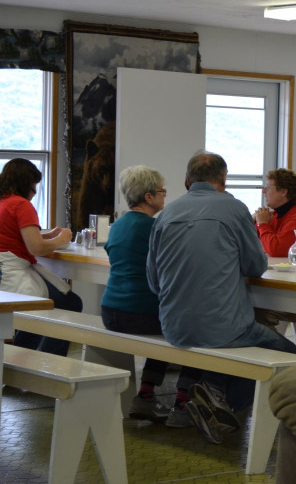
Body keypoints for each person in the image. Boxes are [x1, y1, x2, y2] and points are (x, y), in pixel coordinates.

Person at [147, 152, 296, 445]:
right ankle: (223, 404)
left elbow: (154, 283)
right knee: (288, 354)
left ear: (187, 180)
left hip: (173, 326)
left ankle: (214, 394)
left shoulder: (166, 214)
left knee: (235, 341)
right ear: (224, 179)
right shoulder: (233, 208)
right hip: (225, 326)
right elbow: (256, 265)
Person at [101, 166, 201, 427]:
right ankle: (183, 401)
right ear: (148, 197)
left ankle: (146, 394)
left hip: (111, 311)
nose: (164, 196)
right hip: (139, 313)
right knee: (195, 328)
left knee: (168, 321)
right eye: (161, 191)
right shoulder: (156, 228)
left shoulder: (119, 224)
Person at [0, 158, 82, 356]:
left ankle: (22, 356)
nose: (35, 190)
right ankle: (47, 360)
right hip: (13, 274)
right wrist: (61, 239)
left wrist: (48, 235)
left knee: (40, 314)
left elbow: (9, 236)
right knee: (70, 303)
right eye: (34, 184)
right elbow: (36, 248)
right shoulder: (21, 205)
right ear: (26, 183)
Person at [253, 168, 296, 257]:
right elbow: (254, 241)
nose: (263, 191)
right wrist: (252, 221)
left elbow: (275, 249)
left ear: (283, 191)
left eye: (268, 188)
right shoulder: (275, 215)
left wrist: (262, 224)